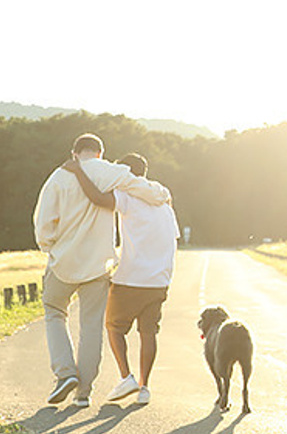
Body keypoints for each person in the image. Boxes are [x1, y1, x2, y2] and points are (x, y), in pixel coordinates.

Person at [33, 134, 173, 408]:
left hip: (63, 261)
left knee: (54, 313)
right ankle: (83, 393)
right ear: (101, 153)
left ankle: (64, 374)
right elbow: (146, 190)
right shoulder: (111, 173)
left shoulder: (58, 177)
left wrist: (49, 247)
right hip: (99, 265)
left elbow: (43, 225)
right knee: (91, 326)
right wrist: (164, 194)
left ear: (75, 153)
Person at [65, 152, 179, 406]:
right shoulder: (163, 200)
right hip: (160, 279)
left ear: (125, 173)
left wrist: (78, 171)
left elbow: (96, 198)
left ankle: (126, 376)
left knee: (114, 327)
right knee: (149, 333)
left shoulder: (128, 198)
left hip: (132, 277)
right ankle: (144, 387)